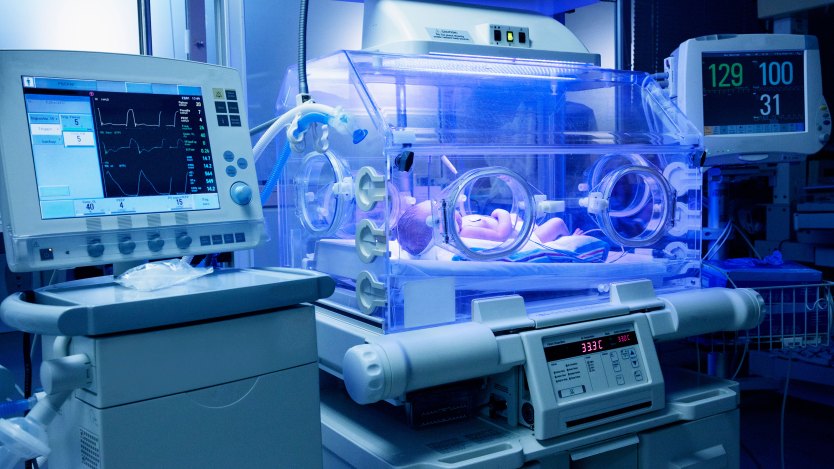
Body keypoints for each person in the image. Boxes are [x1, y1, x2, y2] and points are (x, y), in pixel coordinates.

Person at [398, 200, 581, 256]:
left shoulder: (461, 224)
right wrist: (502, 213)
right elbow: (502, 235)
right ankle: (569, 240)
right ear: (439, 228)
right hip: (529, 237)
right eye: (441, 209)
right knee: (557, 222)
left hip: (520, 228)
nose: (447, 206)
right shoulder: (464, 232)